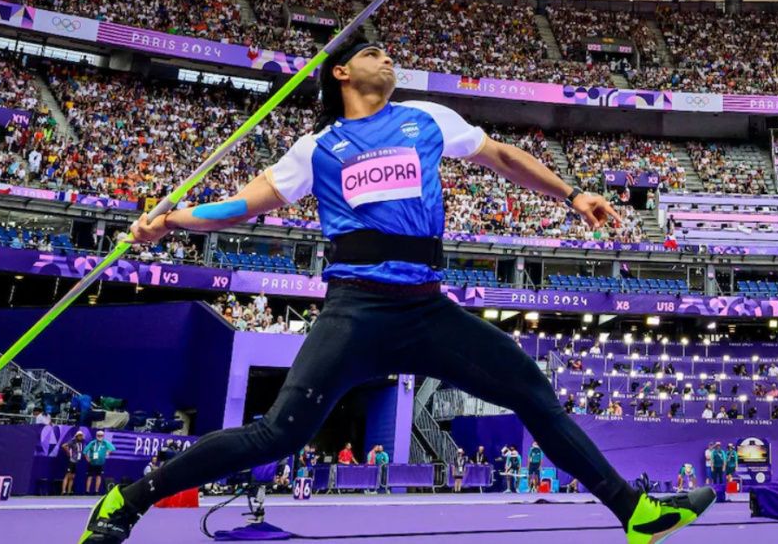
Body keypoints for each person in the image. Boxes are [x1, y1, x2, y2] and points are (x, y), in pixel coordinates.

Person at [79, 37, 716, 544]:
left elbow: (503, 156)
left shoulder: (426, 119)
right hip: (357, 312)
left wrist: (573, 194)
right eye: (370, 52)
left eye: (386, 52)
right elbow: (243, 205)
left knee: (531, 392)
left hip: (427, 311)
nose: (387, 57)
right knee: (278, 436)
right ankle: (126, 500)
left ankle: (635, 513)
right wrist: (171, 219)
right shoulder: (316, 147)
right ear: (340, 75)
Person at [84, 431, 116, 495]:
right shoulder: (92, 443)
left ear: (103, 436)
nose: (100, 437)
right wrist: (87, 459)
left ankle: (96, 491)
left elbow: (113, 448)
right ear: (96, 435)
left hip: (100, 463)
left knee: (98, 476)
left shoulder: (105, 443)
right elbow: (85, 451)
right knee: (90, 476)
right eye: (98, 435)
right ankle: (87, 491)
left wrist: (108, 452)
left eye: (101, 435)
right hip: (92, 462)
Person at [62, 431, 85, 496]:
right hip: (71, 461)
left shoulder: (81, 443)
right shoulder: (73, 441)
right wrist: (68, 452)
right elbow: (63, 446)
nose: (80, 437)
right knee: (67, 476)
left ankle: (69, 491)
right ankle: (63, 491)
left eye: (81, 436)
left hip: (76, 461)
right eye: (79, 436)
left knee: (72, 477)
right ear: (76, 436)